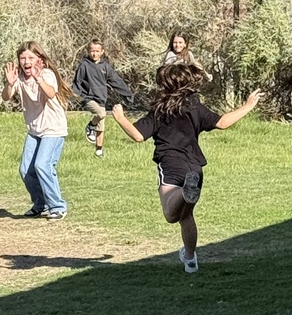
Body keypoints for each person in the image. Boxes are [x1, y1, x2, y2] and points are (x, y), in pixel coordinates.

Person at [112, 63, 262, 274]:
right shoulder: (195, 107)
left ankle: (183, 192)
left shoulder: (160, 110)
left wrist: (120, 118)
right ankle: (190, 260)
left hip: (171, 165)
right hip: (195, 167)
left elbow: (138, 135)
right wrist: (248, 106)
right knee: (186, 216)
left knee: (171, 215)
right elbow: (222, 122)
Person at [2, 41, 72, 221]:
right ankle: (40, 204)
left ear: (39, 59)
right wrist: (10, 84)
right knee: (26, 170)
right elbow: (6, 97)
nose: (26, 61)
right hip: (35, 130)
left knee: (43, 165)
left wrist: (38, 77)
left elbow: (50, 93)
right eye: (23, 58)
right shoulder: (18, 77)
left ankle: (57, 206)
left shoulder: (46, 74)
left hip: (53, 128)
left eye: (31, 58)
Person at [72, 39, 133, 158]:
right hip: (87, 97)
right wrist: (77, 95)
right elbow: (77, 82)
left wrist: (127, 94)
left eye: (97, 51)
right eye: (92, 51)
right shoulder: (84, 65)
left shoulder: (105, 67)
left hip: (101, 98)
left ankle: (98, 151)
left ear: (102, 52)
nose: (94, 54)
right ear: (88, 51)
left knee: (101, 125)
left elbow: (116, 81)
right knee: (101, 113)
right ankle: (90, 126)